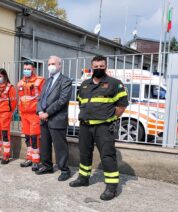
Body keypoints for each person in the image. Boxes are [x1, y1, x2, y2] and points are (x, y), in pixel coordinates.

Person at [69, 55, 129, 201]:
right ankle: (84, 178)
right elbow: (81, 102)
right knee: (84, 153)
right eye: (96, 67)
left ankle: (111, 187)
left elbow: (122, 105)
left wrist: (111, 118)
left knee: (107, 156)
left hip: (103, 127)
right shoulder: (84, 85)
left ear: (105, 66)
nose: (98, 69)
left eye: (101, 66)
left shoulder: (115, 84)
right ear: (91, 67)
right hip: (85, 127)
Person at [36, 56, 72, 181]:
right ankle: (47, 166)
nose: (50, 66)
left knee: (60, 146)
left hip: (56, 119)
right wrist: (40, 111)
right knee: (45, 144)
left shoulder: (66, 81)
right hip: (43, 118)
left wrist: (48, 113)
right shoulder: (47, 81)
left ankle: (65, 170)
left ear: (60, 65)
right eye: (49, 64)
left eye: (53, 63)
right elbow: (40, 98)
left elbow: (62, 100)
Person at [17, 61, 45, 170]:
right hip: (24, 114)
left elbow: (44, 97)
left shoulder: (40, 81)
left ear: (33, 69)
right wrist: (19, 113)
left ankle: (36, 160)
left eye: (28, 68)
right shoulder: (20, 83)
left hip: (34, 114)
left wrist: (42, 111)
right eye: (25, 68)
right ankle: (29, 158)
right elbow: (20, 99)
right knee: (27, 137)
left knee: (34, 137)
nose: (26, 70)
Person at [0, 68, 17, 164]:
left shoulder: (10, 87)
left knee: (5, 135)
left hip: (5, 113)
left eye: (0, 76)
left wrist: (9, 112)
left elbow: (13, 102)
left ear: (5, 76)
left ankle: (6, 155)